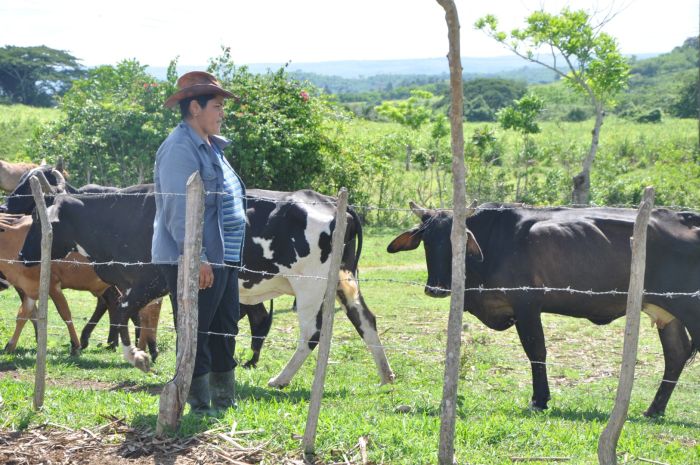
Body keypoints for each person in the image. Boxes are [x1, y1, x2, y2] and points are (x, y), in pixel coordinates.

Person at [152, 71, 246, 413]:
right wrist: (197, 257)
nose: (222, 113)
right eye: (217, 106)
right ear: (195, 107)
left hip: (225, 255)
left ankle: (223, 399)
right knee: (198, 330)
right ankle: (199, 403)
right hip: (198, 256)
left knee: (224, 327)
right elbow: (180, 210)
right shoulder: (179, 149)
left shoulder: (211, 145)